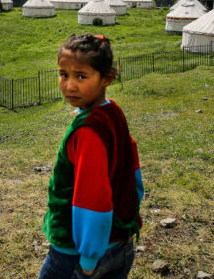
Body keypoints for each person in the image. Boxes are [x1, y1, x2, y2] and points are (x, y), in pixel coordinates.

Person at [38, 33, 144, 279]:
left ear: (106, 78)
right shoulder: (113, 112)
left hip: (78, 254)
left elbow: (92, 198)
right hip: (121, 240)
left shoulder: (87, 131)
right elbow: (132, 170)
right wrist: (130, 217)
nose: (69, 85)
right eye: (64, 74)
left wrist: (88, 258)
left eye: (81, 76)